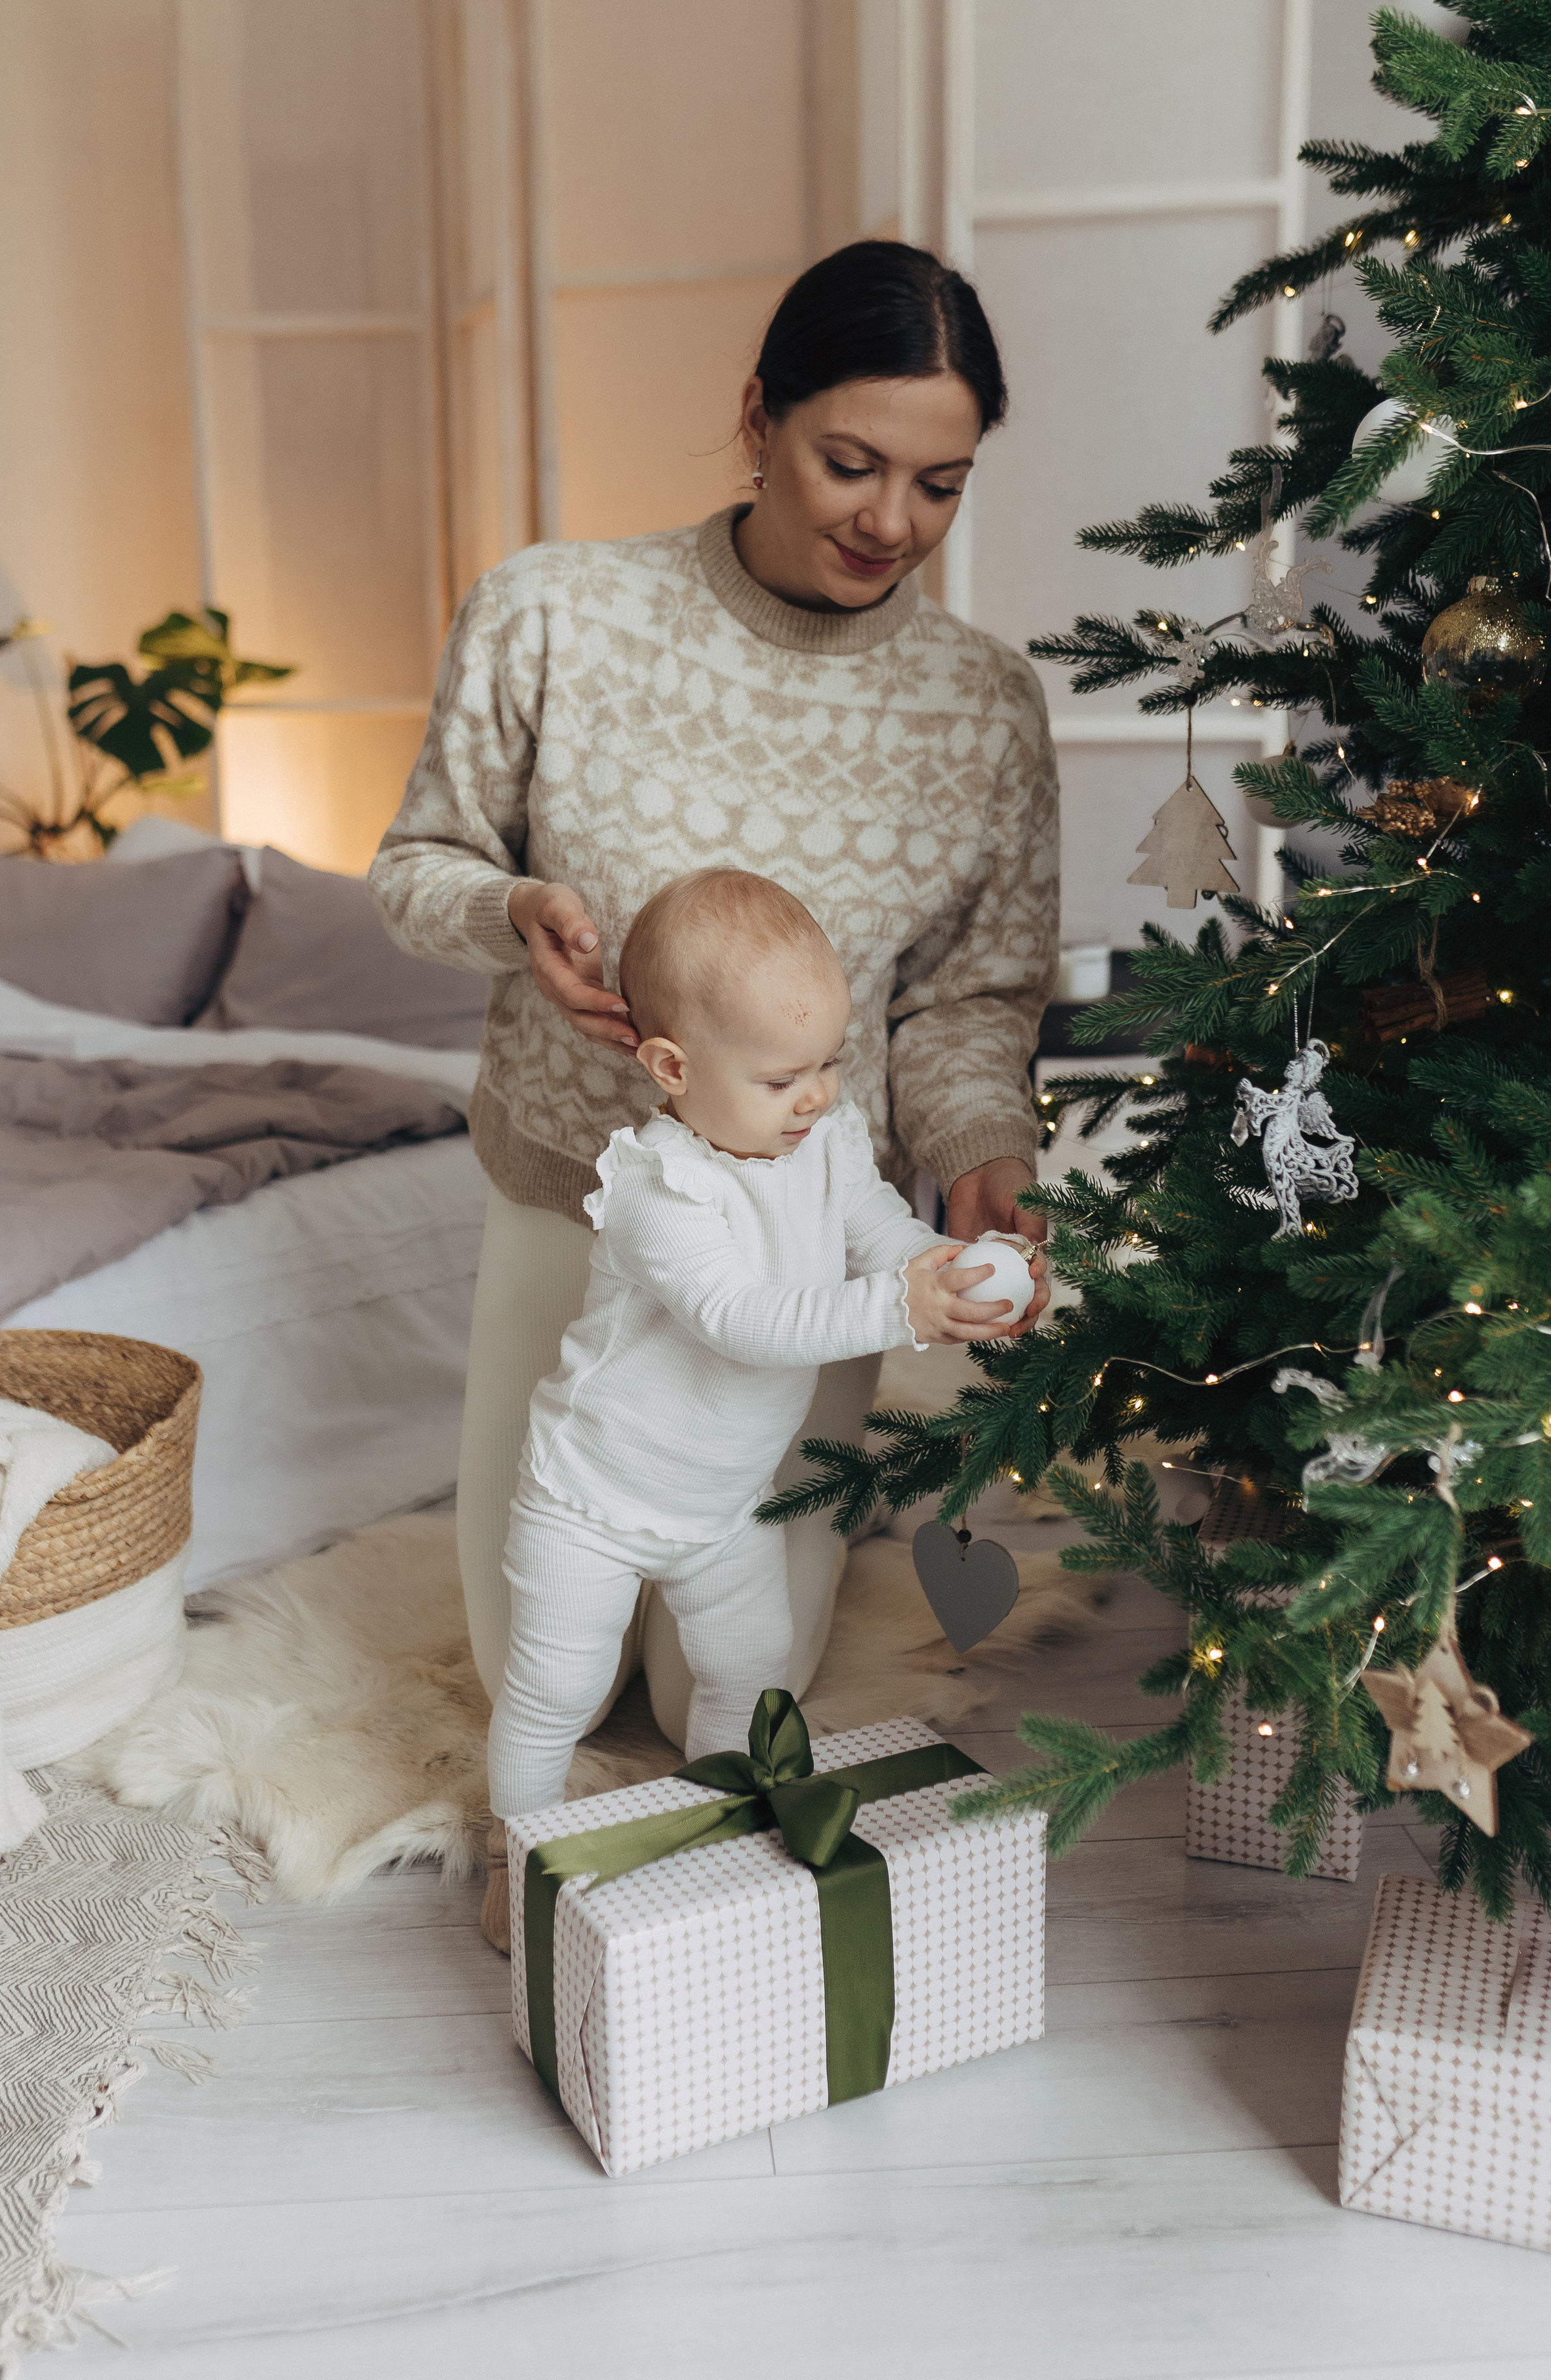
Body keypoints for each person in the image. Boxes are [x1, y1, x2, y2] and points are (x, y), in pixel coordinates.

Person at [369, 235, 1059, 1759]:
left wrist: (979, 1160)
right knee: (544, 1671)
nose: (891, 519)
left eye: (937, 485)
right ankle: (533, 1836)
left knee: (726, 1696)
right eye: (848, 462)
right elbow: (416, 866)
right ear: (758, 420)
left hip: (807, 1241)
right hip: (573, 1203)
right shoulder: (552, 617)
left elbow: (969, 1001)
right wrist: (515, 911)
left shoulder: (982, 707)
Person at [481, 870, 1018, 1947]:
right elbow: (746, 1319)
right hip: (591, 1492)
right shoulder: (657, 1189)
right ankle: (519, 1859)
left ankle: (715, 1819)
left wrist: (951, 1274)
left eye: (827, 1063)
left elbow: (880, 1236)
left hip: (721, 1501)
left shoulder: (822, 1141)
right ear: (674, 1070)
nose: (814, 1095)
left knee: (746, 1666)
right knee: (555, 1692)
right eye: (782, 1078)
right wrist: (898, 1309)